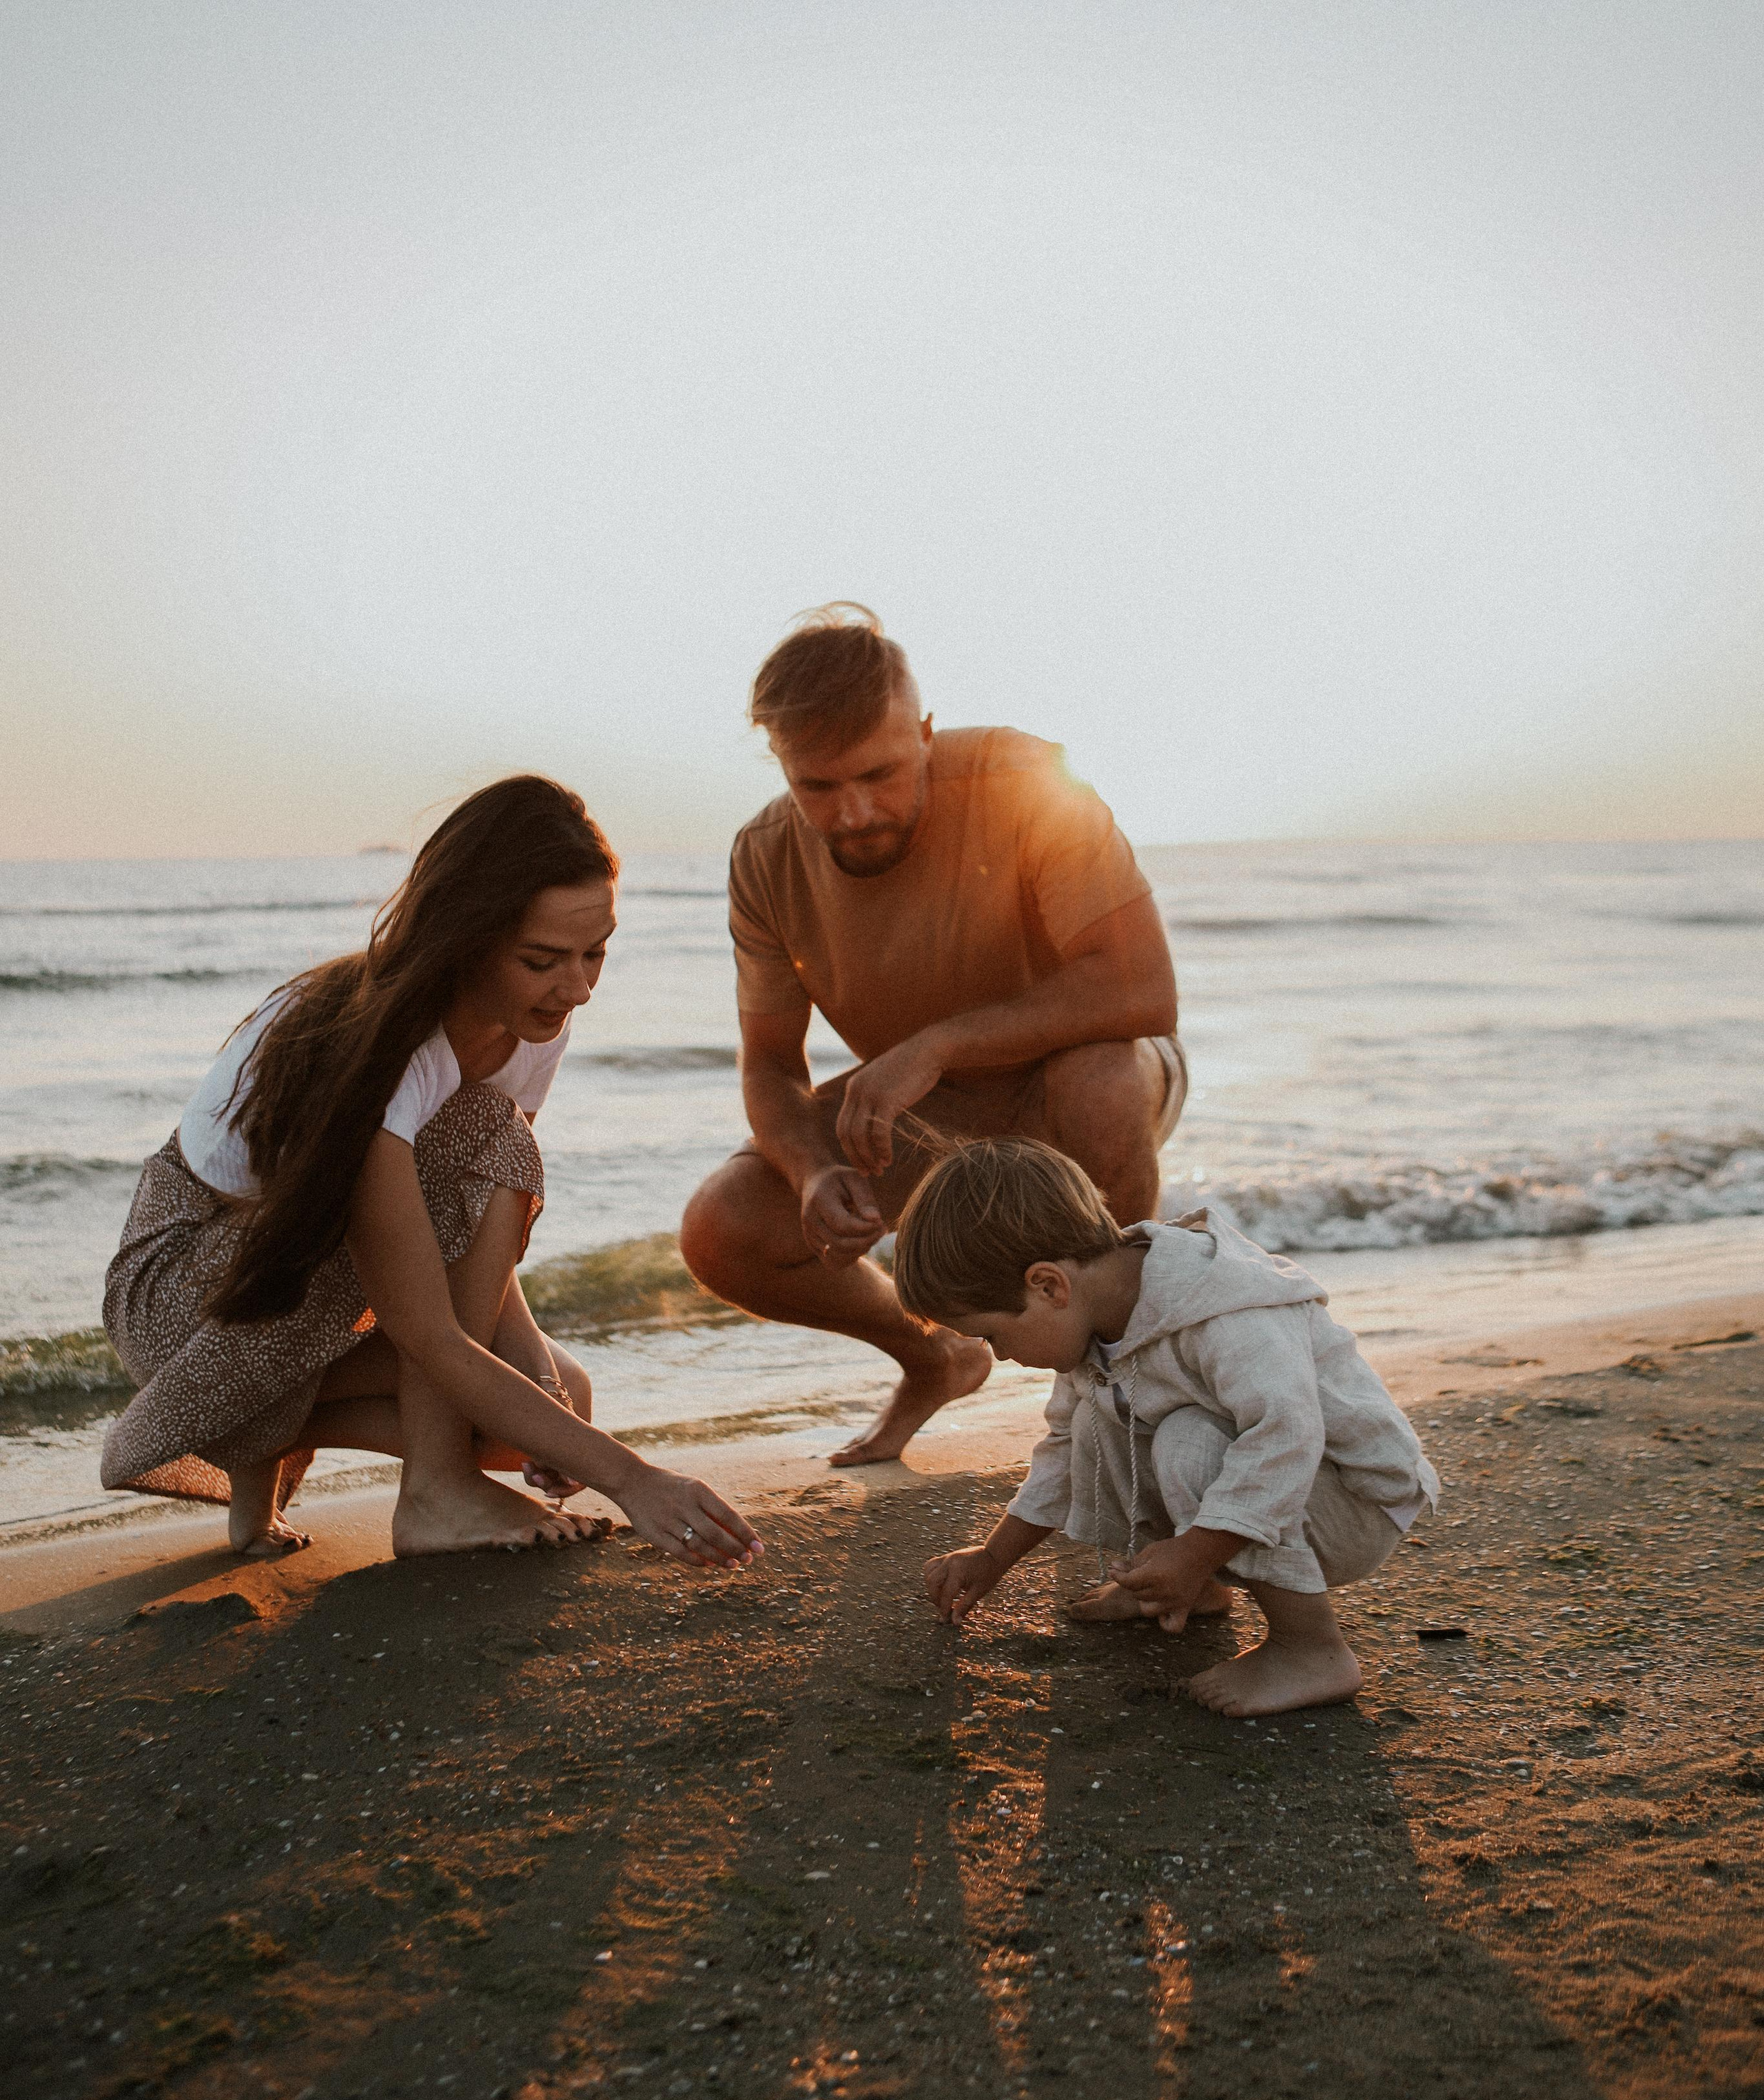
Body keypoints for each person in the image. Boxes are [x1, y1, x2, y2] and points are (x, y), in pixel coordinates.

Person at [100, 775, 762, 1572]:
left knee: (557, 1401)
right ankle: (433, 1492)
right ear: (465, 938)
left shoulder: (532, 1023)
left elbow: (480, 1230)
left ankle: (264, 1440)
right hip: (190, 1295)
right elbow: (429, 1333)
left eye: (596, 953)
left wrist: (538, 1372)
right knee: (493, 1156)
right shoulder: (378, 1054)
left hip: (298, 1285)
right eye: (543, 959)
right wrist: (634, 1479)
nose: (580, 988)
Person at [679, 607, 1183, 1465]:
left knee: (1093, 1077)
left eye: (879, 773)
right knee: (723, 1227)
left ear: (923, 734)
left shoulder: (1025, 781)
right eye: (818, 787)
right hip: (930, 1107)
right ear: (783, 767)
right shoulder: (764, 856)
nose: (853, 813)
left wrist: (935, 1045)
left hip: (1090, 1072)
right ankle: (935, 1357)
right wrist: (813, 1172)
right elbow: (769, 1065)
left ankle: (1128, 1383)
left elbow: (1141, 991)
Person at [896, 1138, 1439, 1718]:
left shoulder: (1223, 1304)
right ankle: (1191, 1587)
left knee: (1188, 1441)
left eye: (992, 1336)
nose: (1000, 1355)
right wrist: (993, 1557)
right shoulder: (1090, 1321)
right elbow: (1061, 1451)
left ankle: (1310, 1649)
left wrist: (1196, 1549)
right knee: (1092, 1423)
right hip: (1285, 1495)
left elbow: (1285, 1437)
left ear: (1049, 1285)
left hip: (1355, 1502)